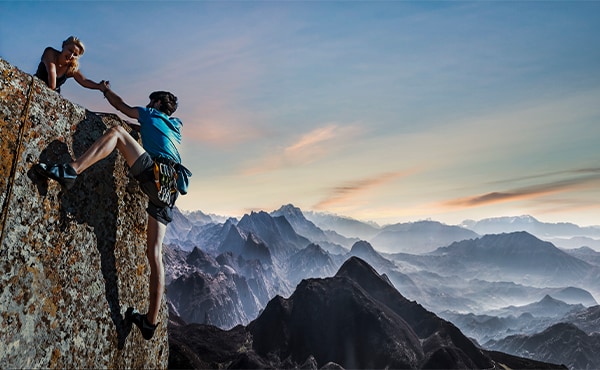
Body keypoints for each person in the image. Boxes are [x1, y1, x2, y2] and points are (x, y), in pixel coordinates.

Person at [34, 81, 191, 340]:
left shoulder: (151, 113)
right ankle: (150, 322)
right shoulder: (176, 127)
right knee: (155, 255)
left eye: (152, 102)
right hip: (170, 187)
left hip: (154, 174)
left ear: (158, 104)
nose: (148, 104)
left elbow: (122, 107)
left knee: (117, 132)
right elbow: (153, 133)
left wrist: (105, 90)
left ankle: (71, 170)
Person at [35, 36, 104, 93]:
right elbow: (51, 71)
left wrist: (99, 86)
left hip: (54, 93)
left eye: (75, 55)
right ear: (63, 46)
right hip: (37, 86)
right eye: (70, 50)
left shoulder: (71, 68)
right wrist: (51, 93)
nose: (71, 56)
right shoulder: (50, 53)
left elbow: (84, 81)